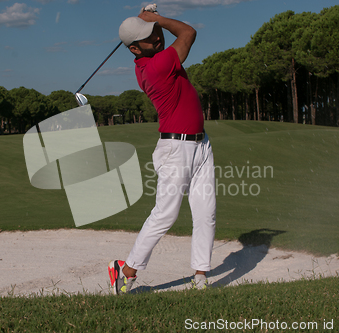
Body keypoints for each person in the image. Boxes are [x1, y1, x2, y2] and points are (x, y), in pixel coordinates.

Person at [108, 9, 216, 295]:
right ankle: (127, 271)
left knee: (206, 212)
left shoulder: (156, 60)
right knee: (165, 215)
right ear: (134, 48)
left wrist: (151, 18)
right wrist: (160, 19)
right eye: (149, 36)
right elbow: (188, 33)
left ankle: (201, 277)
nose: (157, 37)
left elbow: (176, 39)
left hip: (200, 144)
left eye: (155, 32)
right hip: (176, 148)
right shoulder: (157, 66)